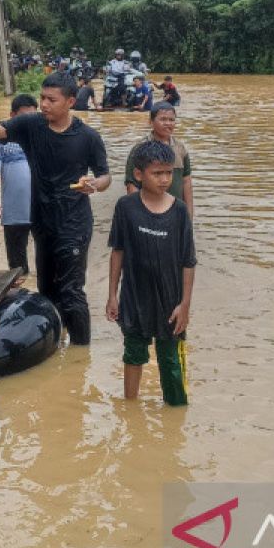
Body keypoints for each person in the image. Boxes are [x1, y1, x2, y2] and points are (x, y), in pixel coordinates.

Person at [0, 72, 111, 344]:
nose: (43, 104)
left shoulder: (88, 137)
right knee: (46, 287)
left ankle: (80, 355)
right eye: (42, 98)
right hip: (42, 222)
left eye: (51, 100)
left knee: (72, 291)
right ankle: (54, 347)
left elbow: (105, 176)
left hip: (74, 223)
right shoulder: (31, 125)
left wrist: (94, 184)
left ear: (70, 101)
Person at [105, 141, 197, 406]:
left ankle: (176, 414)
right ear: (138, 174)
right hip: (134, 298)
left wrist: (185, 305)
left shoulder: (179, 211)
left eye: (169, 173)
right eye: (157, 173)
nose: (165, 179)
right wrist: (113, 296)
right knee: (133, 356)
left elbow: (188, 261)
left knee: (171, 362)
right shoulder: (126, 207)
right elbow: (117, 252)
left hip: (171, 301)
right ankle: (130, 410)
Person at [0, 94, 38, 273]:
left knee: (48, 263)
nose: (30, 121)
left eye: (33, 116)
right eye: (25, 116)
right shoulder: (0, 138)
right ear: (12, 116)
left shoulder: (44, 135)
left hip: (43, 210)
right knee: (17, 269)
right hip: (15, 212)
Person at [124, 104, 194, 217]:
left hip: (175, 212)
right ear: (151, 122)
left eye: (171, 120)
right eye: (163, 119)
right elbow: (132, 185)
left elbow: (186, 182)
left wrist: (188, 217)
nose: (168, 123)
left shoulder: (181, 149)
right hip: (148, 212)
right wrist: (139, 216)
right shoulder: (140, 149)